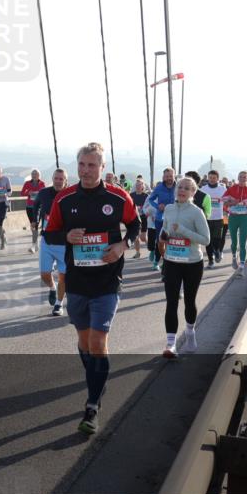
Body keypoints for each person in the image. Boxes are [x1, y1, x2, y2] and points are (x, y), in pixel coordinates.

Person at [44, 143, 139, 435]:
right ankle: (97, 381)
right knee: (85, 344)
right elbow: (49, 234)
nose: (86, 170)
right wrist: (66, 236)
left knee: (98, 342)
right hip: (77, 281)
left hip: (108, 280)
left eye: (92, 165)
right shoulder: (64, 199)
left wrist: (123, 245)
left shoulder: (117, 196)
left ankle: (92, 405)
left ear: (102, 167)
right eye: (82, 165)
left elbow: (135, 225)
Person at [159, 176, 211, 358]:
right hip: (172, 261)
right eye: (180, 187)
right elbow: (165, 229)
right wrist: (163, 235)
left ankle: (190, 332)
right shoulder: (169, 209)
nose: (182, 190)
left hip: (192, 263)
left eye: (187, 188)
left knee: (189, 301)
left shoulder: (197, 212)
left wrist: (183, 230)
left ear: (193, 193)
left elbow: (206, 239)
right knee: (171, 301)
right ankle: (171, 344)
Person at [34, 168, 68, 316]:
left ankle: (59, 304)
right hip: (47, 240)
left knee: (63, 276)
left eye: (61, 179)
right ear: (52, 179)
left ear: (65, 181)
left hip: (64, 243)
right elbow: (34, 206)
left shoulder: (70, 196)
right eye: (56, 178)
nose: (58, 181)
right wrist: (33, 221)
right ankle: (52, 288)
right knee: (44, 274)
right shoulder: (44, 193)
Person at [222, 171, 247, 276]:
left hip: (244, 218)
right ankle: (234, 257)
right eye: (240, 177)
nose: (242, 179)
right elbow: (224, 203)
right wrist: (233, 202)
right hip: (233, 217)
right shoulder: (232, 189)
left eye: (244, 177)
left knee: (242, 242)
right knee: (234, 242)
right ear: (238, 178)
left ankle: (242, 266)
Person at [146, 168, 177, 275]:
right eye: (167, 176)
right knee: (160, 242)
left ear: (174, 175)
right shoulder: (159, 187)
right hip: (160, 219)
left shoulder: (178, 187)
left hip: (174, 218)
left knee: (170, 241)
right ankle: (165, 258)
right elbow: (151, 199)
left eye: (171, 176)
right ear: (164, 177)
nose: (169, 178)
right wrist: (157, 206)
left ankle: (168, 262)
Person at [199, 169, 227, 267]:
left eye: (214, 178)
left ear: (217, 179)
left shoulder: (222, 189)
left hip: (219, 218)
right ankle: (210, 260)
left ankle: (217, 250)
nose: (212, 179)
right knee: (208, 240)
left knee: (217, 238)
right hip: (207, 218)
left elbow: (227, 201)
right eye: (210, 177)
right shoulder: (203, 189)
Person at [21, 169, 47, 253]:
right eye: (33, 174)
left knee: (35, 224)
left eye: (36, 174)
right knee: (33, 225)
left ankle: (33, 245)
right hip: (29, 206)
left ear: (39, 175)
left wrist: (38, 194)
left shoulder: (42, 184)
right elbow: (22, 193)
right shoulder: (27, 183)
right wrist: (28, 192)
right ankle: (35, 244)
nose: (34, 175)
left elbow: (45, 194)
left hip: (39, 207)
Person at [129, 180, 149, 259]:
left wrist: (143, 209)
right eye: (136, 185)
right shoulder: (131, 195)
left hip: (144, 218)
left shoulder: (146, 196)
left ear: (142, 187)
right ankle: (138, 253)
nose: (138, 186)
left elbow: (149, 206)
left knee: (143, 238)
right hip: (135, 218)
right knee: (136, 237)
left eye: (139, 185)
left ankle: (152, 250)